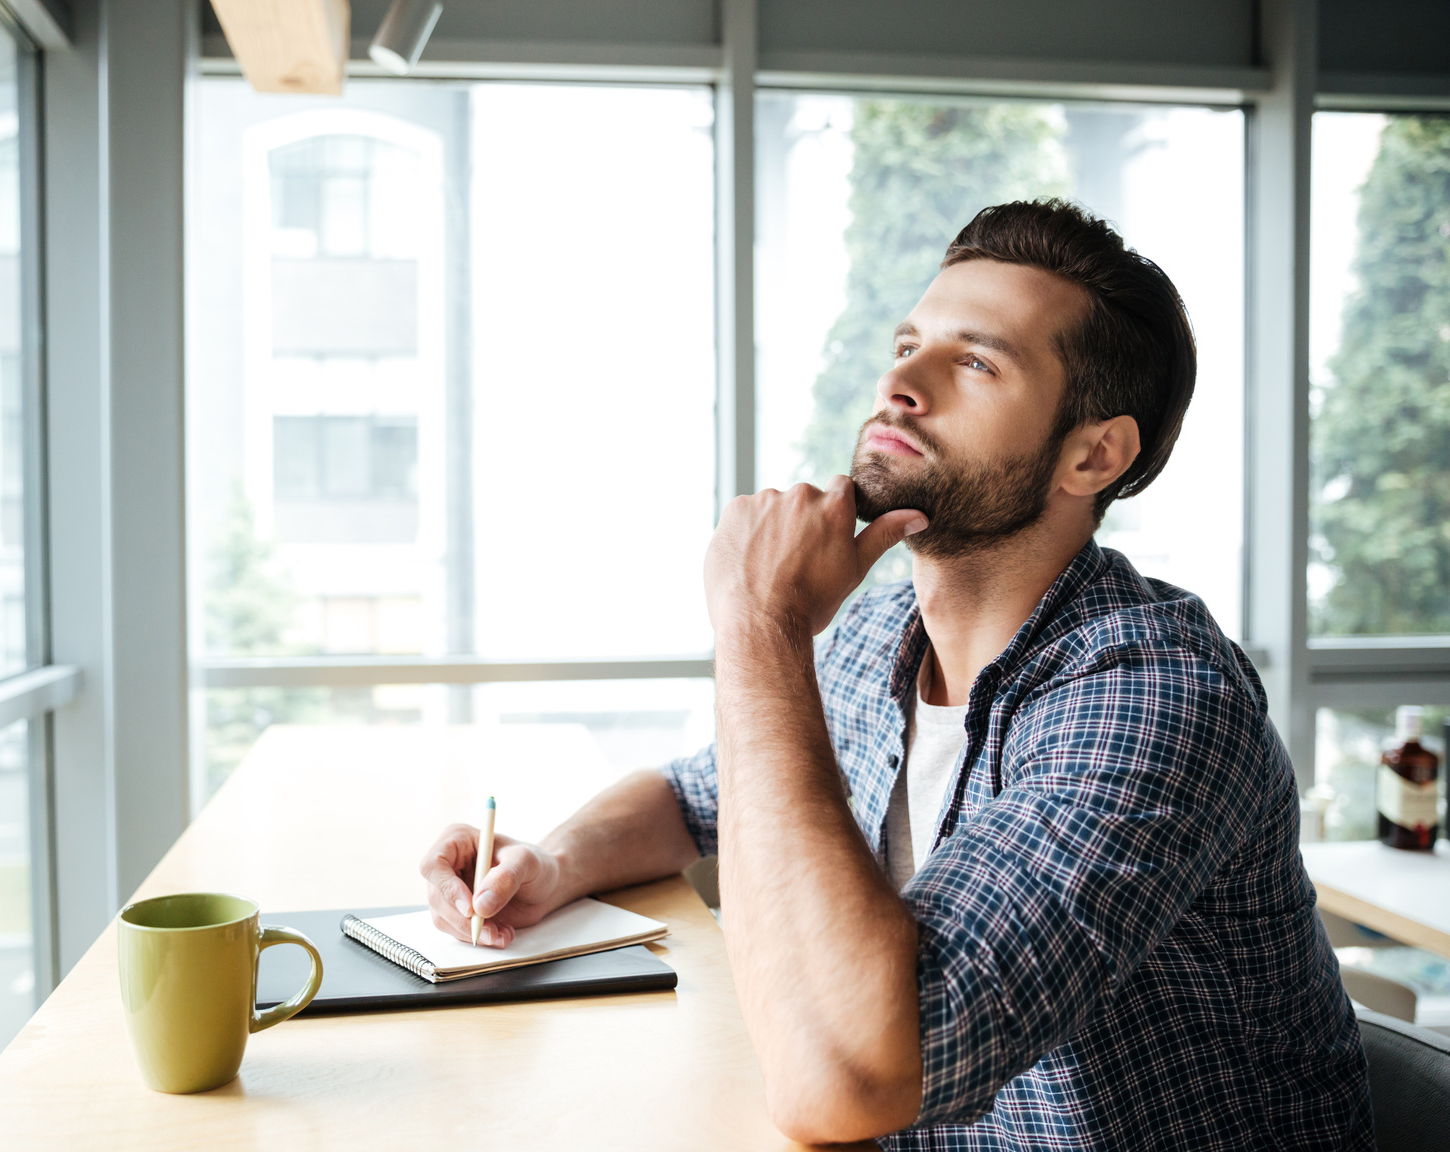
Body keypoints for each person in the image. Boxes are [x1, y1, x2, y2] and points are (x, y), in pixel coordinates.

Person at [417, 200, 1373, 1149]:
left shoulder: (1151, 696)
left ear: (1094, 453)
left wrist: (760, 627)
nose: (900, 381)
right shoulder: (883, 622)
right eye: (909, 341)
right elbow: (696, 796)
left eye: (975, 361)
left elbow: (846, 1083)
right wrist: (552, 864)